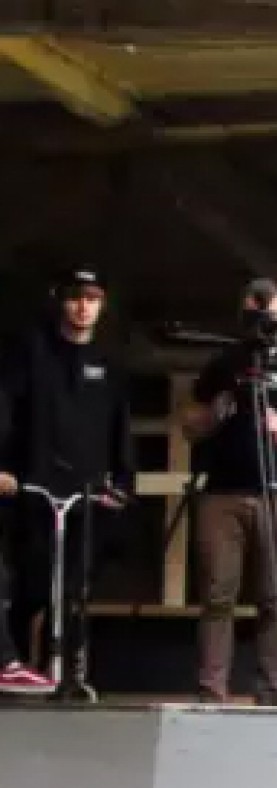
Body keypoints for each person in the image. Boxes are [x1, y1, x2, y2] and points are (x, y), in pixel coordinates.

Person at [181, 278, 277, 706]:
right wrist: (214, 414)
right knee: (217, 594)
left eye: (269, 317)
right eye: (254, 316)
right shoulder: (222, 364)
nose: (261, 325)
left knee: (274, 597)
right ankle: (212, 690)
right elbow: (189, 424)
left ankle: (272, 690)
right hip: (222, 492)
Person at [0, 267, 132, 694]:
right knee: (32, 585)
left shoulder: (109, 363)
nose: (83, 307)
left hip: (87, 495)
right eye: (76, 298)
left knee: (74, 590)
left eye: (92, 299)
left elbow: (120, 428)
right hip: (34, 489)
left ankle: (68, 676)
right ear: (61, 301)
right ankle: (15, 670)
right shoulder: (31, 352)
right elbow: (7, 411)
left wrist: (123, 481)